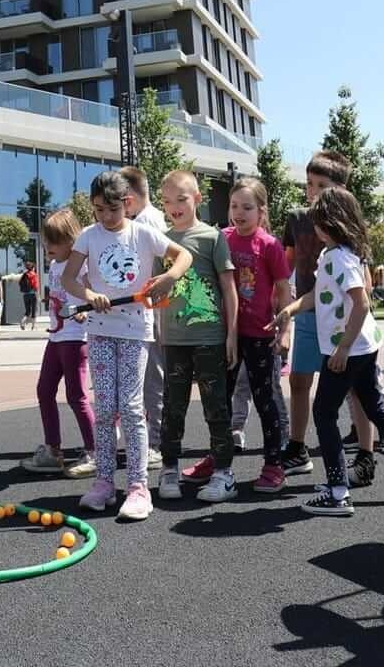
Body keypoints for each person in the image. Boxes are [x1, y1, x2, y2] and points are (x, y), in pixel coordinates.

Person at [275, 187, 384, 517]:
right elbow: (318, 295)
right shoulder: (335, 255)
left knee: (324, 413)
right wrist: (291, 309)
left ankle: (337, 492)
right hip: (360, 347)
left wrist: (343, 348)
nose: (315, 228)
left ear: (331, 223)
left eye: (319, 222)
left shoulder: (339, 258)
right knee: (379, 409)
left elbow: (361, 302)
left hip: (346, 350)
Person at [60, 169, 191, 522]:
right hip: (100, 331)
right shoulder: (88, 237)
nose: (106, 217)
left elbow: (183, 256)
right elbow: (69, 278)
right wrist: (89, 294)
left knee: (132, 408)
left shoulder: (144, 234)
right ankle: (104, 482)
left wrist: (167, 278)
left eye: (112, 210)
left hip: (135, 332)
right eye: (99, 210)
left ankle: (137, 487)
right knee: (105, 408)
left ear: (127, 203)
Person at [278, 150, 381, 486]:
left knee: (354, 390)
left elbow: (362, 281)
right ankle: (297, 447)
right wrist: (280, 302)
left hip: (344, 321)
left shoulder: (349, 226)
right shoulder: (296, 218)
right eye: (309, 183)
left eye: (321, 185)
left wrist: (356, 310)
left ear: (340, 190)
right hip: (310, 313)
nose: (313, 191)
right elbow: (286, 265)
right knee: (299, 380)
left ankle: (365, 455)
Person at [152, 169, 243, 502]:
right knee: (172, 409)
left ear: (198, 199)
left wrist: (231, 335)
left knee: (215, 409)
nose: (174, 207)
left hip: (210, 339)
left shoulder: (212, 238)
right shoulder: (161, 241)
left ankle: (223, 473)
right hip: (174, 342)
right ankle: (169, 468)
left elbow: (228, 289)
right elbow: (155, 295)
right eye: (167, 201)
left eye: (181, 199)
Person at [205, 176, 290, 493]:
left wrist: (284, 330)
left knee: (265, 398)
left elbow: (284, 290)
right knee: (220, 400)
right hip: (226, 333)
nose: (239, 213)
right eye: (234, 206)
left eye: (247, 207)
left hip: (259, 335)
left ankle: (274, 464)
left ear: (261, 211)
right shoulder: (221, 238)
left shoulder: (269, 245)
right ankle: (217, 459)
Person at [23, 210, 94, 475]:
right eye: (45, 241)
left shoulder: (81, 265)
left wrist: (87, 307)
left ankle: (95, 451)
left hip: (75, 339)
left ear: (71, 241)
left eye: (53, 241)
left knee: (76, 396)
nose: (47, 247)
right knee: (44, 390)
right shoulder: (54, 267)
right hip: (56, 337)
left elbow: (92, 291)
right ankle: (53, 449)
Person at [121, 165, 170, 474]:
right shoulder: (150, 218)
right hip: (152, 309)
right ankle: (155, 440)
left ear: (128, 198)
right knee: (152, 378)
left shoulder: (146, 222)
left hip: (151, 311)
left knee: (153, 379)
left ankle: (156, 443)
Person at [18, 264, 39, 331]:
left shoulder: (24, 275)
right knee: (33, 310)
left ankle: (22, 321)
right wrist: (38, 294)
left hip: (25, 295)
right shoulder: (33, 275)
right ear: (32, 268)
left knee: (28, 311)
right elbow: (35, 286)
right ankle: (33, 326)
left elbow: (20, 283)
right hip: (33, 294)